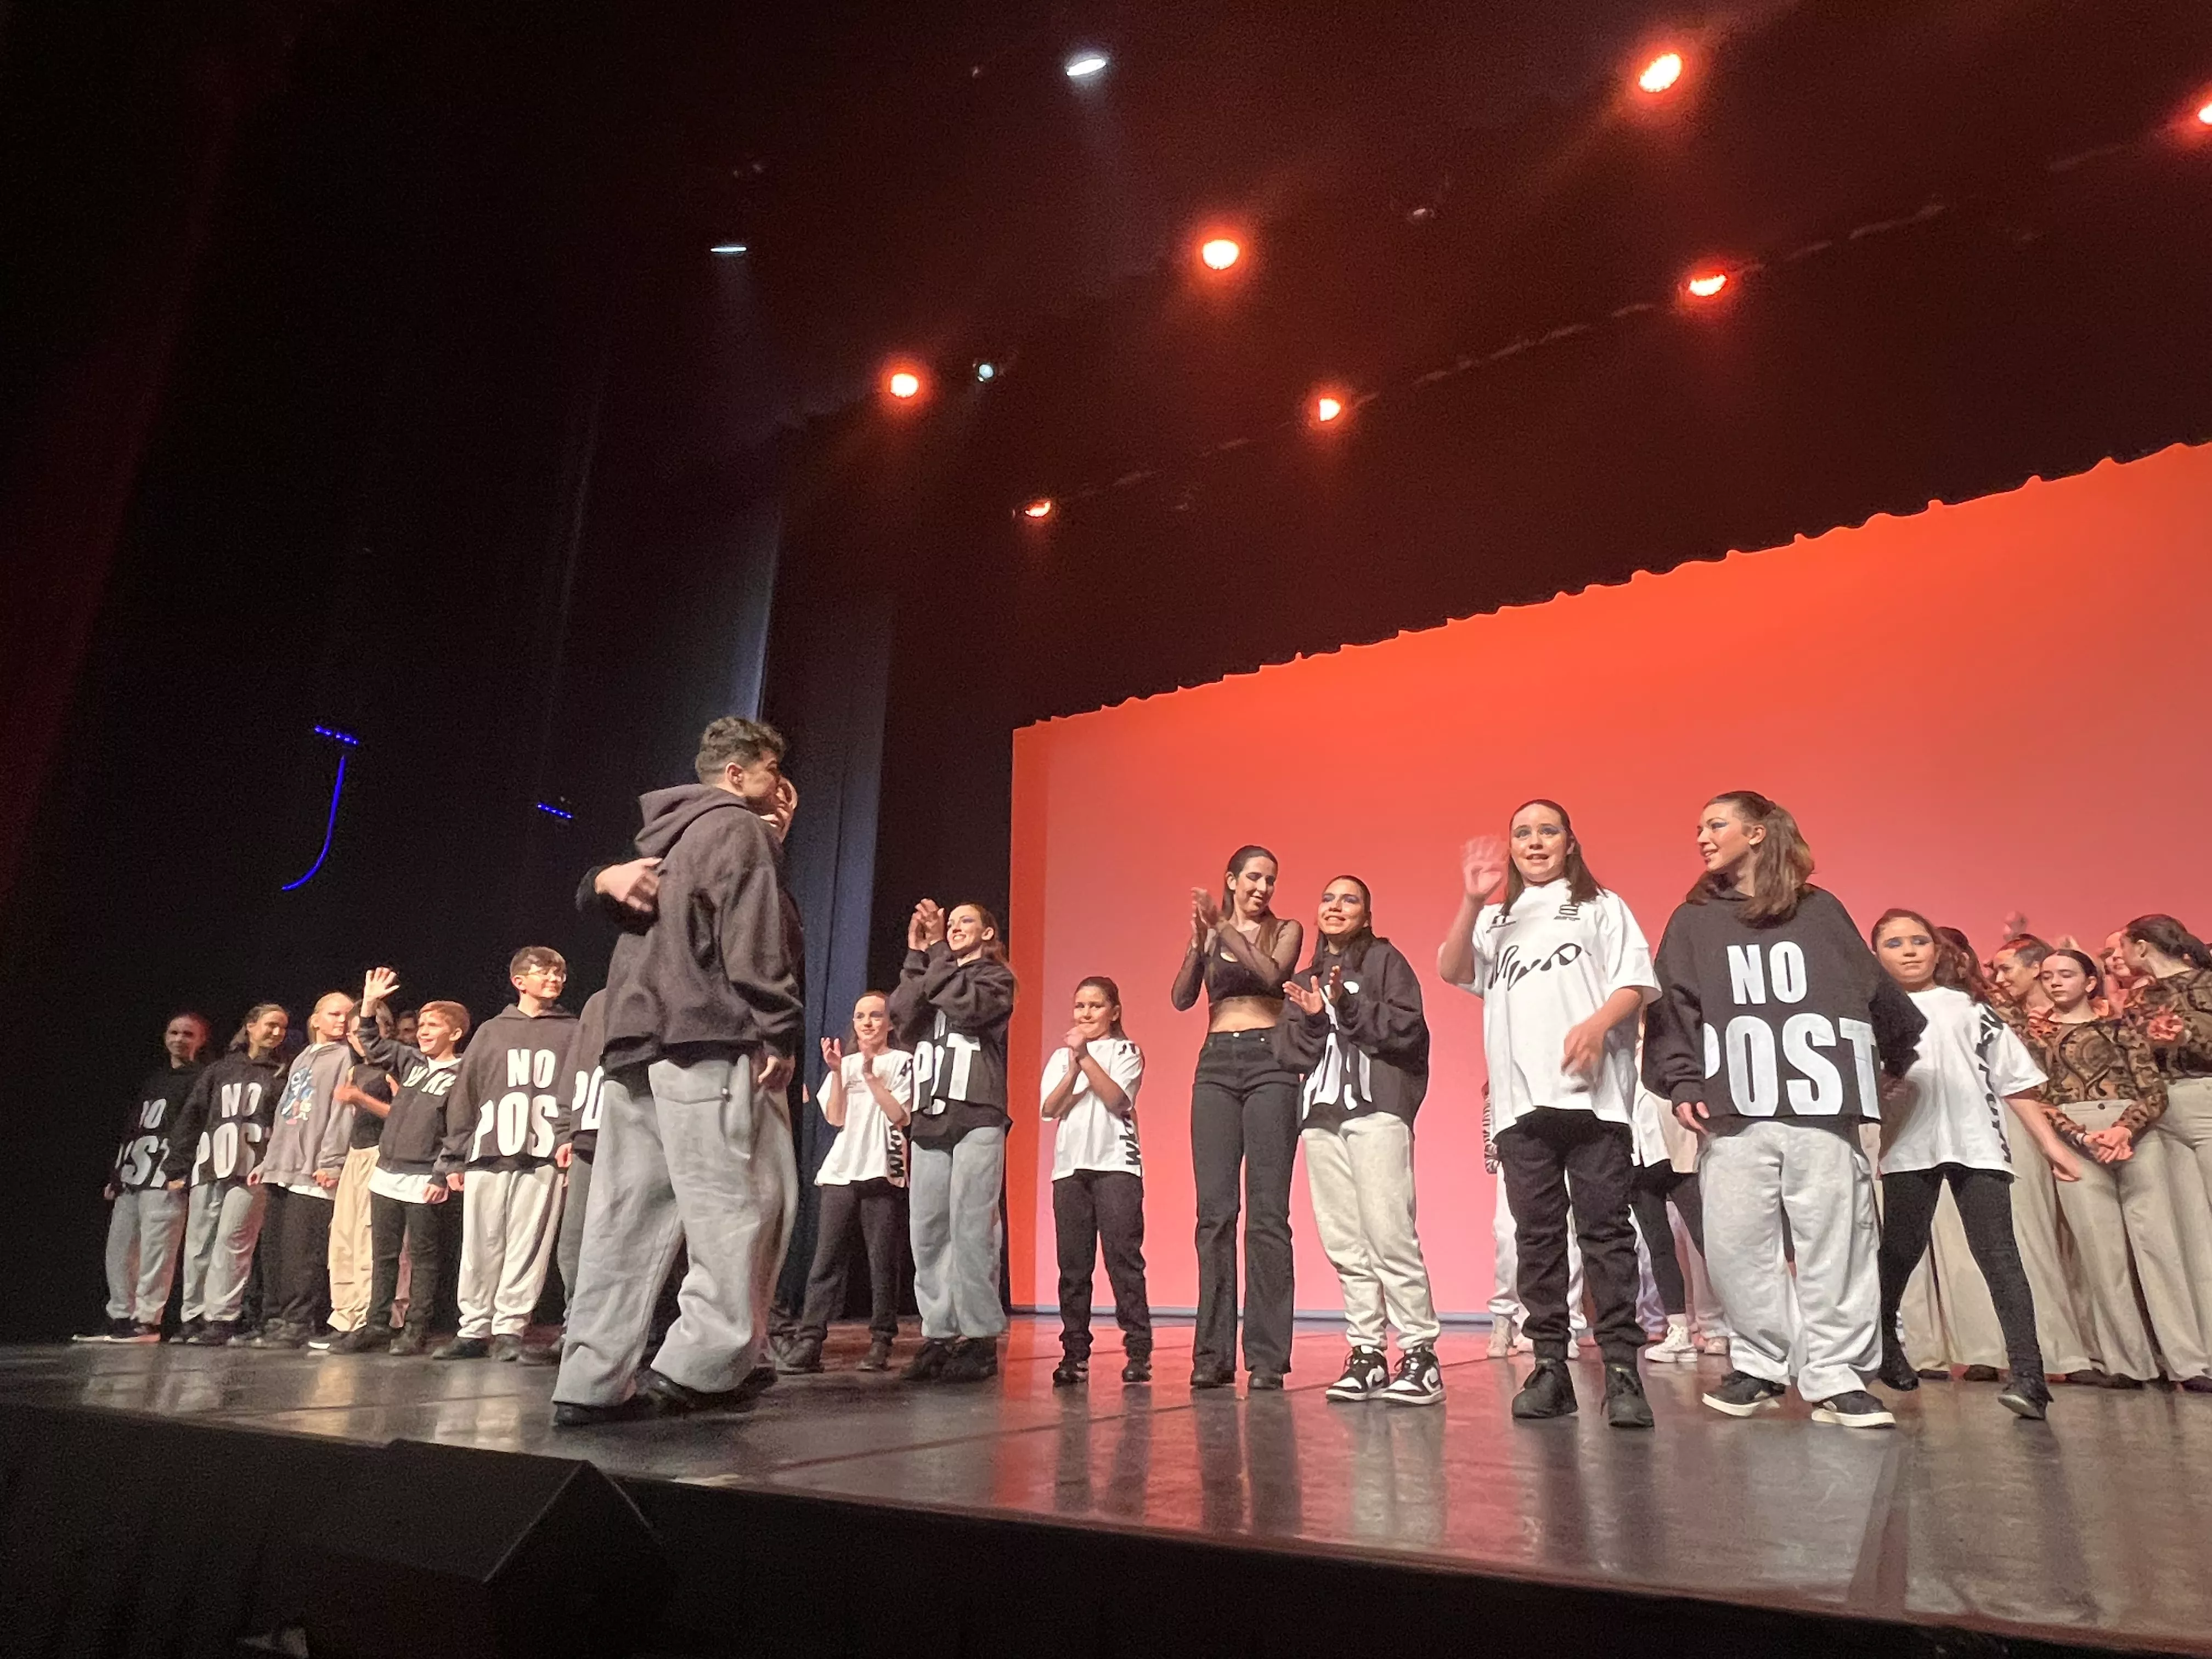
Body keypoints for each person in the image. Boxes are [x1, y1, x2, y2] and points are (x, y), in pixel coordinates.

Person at [1644, 791, 1924, 1430]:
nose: (1703, 837)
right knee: (1738, 1244)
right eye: (1699, 828)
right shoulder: (1693, 921)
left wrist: (1893, 1060)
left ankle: (1837, 1376)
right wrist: (1684, 1081)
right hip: (1735, 1109)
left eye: (1716, 824)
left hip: (1822, 1107)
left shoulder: (1821, 911)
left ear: (1761, 832)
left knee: (1837, 1242)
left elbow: (1873, 990)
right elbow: (1673, 1009)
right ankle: (1762, 1364)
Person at [551, 715, 803, 1425]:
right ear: (736, 774)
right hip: (705, 1038)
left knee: (624, 1217)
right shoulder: (739, 831)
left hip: (634, 1045)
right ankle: (705, 1365)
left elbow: (613, 905)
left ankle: (590, 1381)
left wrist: (596, 880)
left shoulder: (661, 837)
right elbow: (753, 942)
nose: (776, 787)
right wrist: (778, 1032)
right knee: (729, 1207)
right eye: (768, 773)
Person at [1441, 802, 1659, 1427]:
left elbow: (1634, 981)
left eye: (1547, 831)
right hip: (1520, 1103)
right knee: (1536, 1241)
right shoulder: (1496, 918)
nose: (1535, 843)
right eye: (1522, 834)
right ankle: (1550, 1367)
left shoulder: (1600, 905)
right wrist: (1469, 900)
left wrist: (1595, 1026)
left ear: (1570, 843)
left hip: (1594, 1099)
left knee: (1606, 1234)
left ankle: (1621, 1370)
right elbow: (1455, 969)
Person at [1866, 910, 2080, 1420]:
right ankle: (1886, 1343)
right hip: (1909, 1144)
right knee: (1900, 1250)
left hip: (1977, 1141)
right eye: (1895, 943)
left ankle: (2028, 1376)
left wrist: (2051, 1145)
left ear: (1938, 950)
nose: (1910, 950)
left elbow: (2014, 1080)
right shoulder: (1870, 1013)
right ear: (1877, 955)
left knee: (2000, 1256)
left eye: (1920, 940)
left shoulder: (1970, 1007)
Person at [1282, 877, 1442, 1407]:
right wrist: (1310, 1020)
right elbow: (1291, 1055)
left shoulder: (1386, 962)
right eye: (1327, 897)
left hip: (1377, 1112)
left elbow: (1408, 1030)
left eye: (1349, 899)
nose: (1335, 906)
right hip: (1322, 1119)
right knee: (1344, 1242)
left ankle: (1420, 1353)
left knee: (1389, 1233)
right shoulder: (1302, 976)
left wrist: (1346, 1009)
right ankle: (1367, 1352)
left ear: (1366, 914)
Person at [2027, 949, 2212, 1390]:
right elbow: (2039, 1098)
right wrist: (2082, 1137)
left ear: (2091, 982)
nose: (2055, 983)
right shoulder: (2037, 1036)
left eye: (2067, 974)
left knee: (2159, 1249)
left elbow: (2153, 1089)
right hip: (2077, 1140)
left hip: (2134, 1134)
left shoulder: (2121, 1026)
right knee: (2101, 1256)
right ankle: (2129, 1363)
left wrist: (2123, 1130)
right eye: (2048, 976)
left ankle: (2189, 1362)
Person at [1170, 846, 1304, 1390]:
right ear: (1232, 878)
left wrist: (1225, 929)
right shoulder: (1214, 932)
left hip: (1270, 1061)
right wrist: (1199, 942)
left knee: (1269, 1216)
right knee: (1215, 1215)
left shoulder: (1286, 929)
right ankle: (1212, 1355)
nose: (1263, 887)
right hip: (1216, 1066)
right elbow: (1181, 998)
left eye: (1271, 879)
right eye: (1253, 877)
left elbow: (1273, 978)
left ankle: (1268, 1357)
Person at [430, 948, 579, 1362]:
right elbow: (465, 1095)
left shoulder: (572, 1030)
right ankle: (473, 1328)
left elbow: (577, 1087)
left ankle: (511, 1326)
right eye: (546, 973)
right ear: (519, 981)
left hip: (544, 1151)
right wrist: (453, 1158)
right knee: (481, 1242)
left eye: (561, 974)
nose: (555, 980)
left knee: (529, 1242)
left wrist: (568, 1139)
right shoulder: (493, 1030)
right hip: (489, 1150)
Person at [891, 899, 1018, 1384]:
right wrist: (915, 955)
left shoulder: (996, 979)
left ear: (988, 935)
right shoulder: (935, 971)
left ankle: (980, 1337)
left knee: (972, 1227)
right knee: (928, 1230)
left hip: (977, 1113)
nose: (956, 927)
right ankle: (939, 1334)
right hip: (930, 1117)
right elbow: (902, 1015)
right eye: (953, 921)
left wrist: (938, 948)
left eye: (967, 921)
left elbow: (966, 1004)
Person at [331, 970, 469, 1356]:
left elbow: (459, 1129)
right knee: (384, 1252)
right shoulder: (410, 1062)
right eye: (421, 1025)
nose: (423, 1032)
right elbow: (372, 1044)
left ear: (454, 1034)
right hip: (387, 1171)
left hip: (425, 1175)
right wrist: (370, 1004)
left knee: (424, 1257)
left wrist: (443, 1172)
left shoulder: (461, 1074)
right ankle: (377, 1324)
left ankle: (416, 1328)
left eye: (433, 1026)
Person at [779, 991, 915, 1375]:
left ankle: (881, 1340)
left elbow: (900, 1117)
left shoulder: (902, 1062)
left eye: (876, 1016)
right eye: (860, 1016)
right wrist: (839, 1072)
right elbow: (836, 1117)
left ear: (890, 1023)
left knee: (882, 1261)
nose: (868, 1023)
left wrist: (871, 1078)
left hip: (882, 1169)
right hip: (842, 1170)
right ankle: (810, 1340)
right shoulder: (847, 1063)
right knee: (826, 1260)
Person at [1042, 977, 1151, 1387]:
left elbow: (1116, 1099)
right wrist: (1073, 1066)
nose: (1086, 1014)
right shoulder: (1061, 1057)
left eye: (1095, 1006)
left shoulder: (1126, 1051)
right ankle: (1074, 1353)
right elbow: (1050, 1107)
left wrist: (1085, 1059)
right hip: (1070, 1168)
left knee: (1123, 1260)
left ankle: (1138, 1350)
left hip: (1115, 1165)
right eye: (1080, 1006)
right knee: (1073, 1266)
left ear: (1114, 1012)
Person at [77, 1014, 212, 1343]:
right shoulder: (153, 1078)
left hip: (165, 1175)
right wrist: (117, 1173)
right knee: (120, 1249)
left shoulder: (201, 1078)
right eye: (175, 1032)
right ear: (165, 1036)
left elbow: (194, 1127)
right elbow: (135, 1127)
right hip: (134, 1173)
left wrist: (179, 1170)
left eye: (188, 1034)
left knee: (157, 1250)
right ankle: (120, 1315)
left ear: (200, 1041)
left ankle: (147, 1321)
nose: (180, 1039)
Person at [163, 1004, 289, 1346]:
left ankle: (221, 1318)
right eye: (270, 1025)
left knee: (234, 1243)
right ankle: (192, 1316)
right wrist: (177, 1165)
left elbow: (286, 1124)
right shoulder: (220, 1070)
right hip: (210, 1165)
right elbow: (192, 1117)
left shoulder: (283, 1073)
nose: (276, 1033)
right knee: (198, 1244)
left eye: (282, 1028)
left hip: (251, 1169)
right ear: (250, 1026)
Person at [246, 990, 358, 1348]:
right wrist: (269, 1160)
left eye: (347, 1015)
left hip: (313, 1171)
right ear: (315, 1019)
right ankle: (274, 1317)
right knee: (275, 1251)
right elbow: (287, 1113)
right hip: (283, 1167)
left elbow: (342, 1114)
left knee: (302, 1252)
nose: (341, 1021)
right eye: (334, 1014)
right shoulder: (303, 1057)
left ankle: (298, 1321)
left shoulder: (345, 1057)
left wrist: (331, 1162)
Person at [528, 986, 607, 1365]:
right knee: (574, 1243)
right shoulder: (598, 1001)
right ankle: (575, 1330)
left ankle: (642, 1335)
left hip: (640, 1135)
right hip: (589, 1137)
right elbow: (576, 1067)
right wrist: (565, 1131)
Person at [2123, 915, 2212, 1202]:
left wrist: (2186, 1037)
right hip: (2165, 1105)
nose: (2119, 955)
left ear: (2141, 947)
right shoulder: (2137, 998)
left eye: (2122, 946)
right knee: (2190, 1212)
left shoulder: (2206, 983)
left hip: (2204, 1095)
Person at [323, 1008, 396, 1346]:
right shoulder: (356, 1069)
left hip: (382, 1154)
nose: (358, 1038)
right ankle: (345, 1315)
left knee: (370, 1238)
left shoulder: (395, 1068)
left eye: (365, 1030)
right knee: (344, 1236)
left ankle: (373, 1316)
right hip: (356, 1153)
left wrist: (361, 1098)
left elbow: (403, 1117)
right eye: (352, 1033)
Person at [1627, 1081, 1710, 1364]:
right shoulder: (1617, 1051)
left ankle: (1741, 1327)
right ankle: (1678, 1330)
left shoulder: (1660, 1048)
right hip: (1638, 1159)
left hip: (1679, 1155)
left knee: (1708, 1240)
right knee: (1658, 1247)